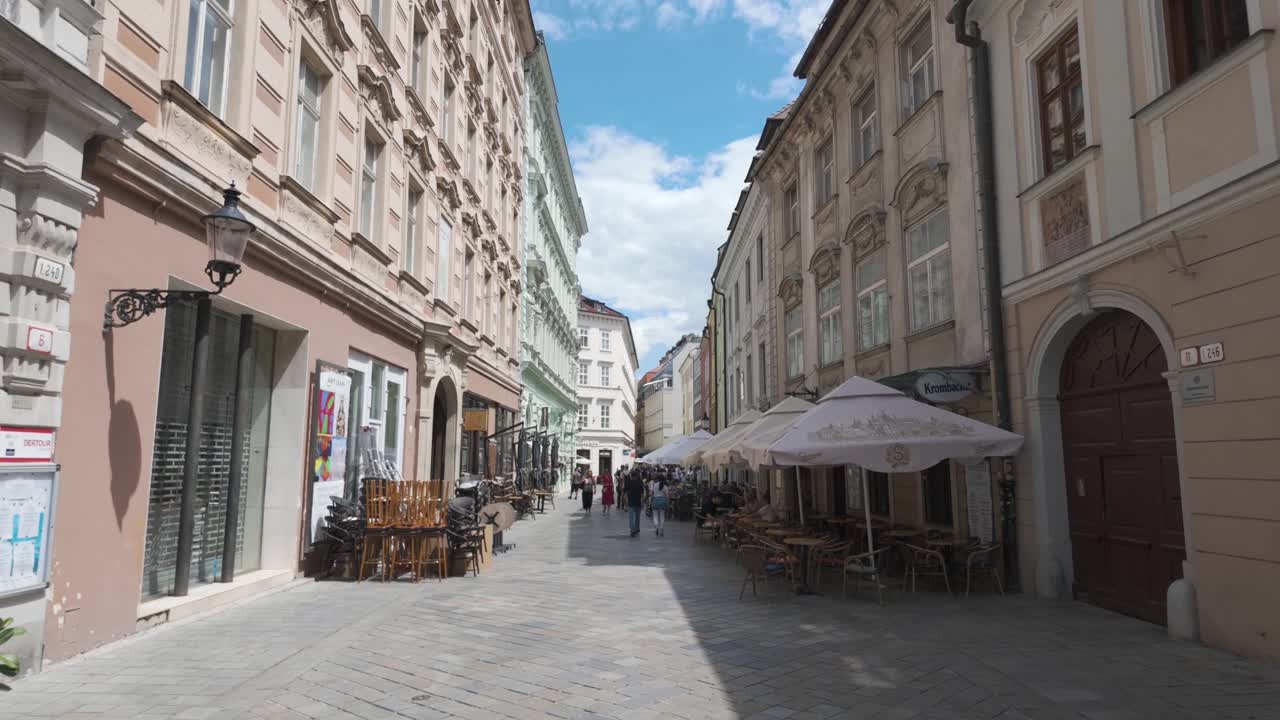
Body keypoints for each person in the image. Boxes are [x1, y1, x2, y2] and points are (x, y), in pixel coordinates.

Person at [624, 469, 646, 537]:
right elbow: (643, 493)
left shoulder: (629, 482)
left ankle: (632, 529)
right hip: (638, 501)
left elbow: (625, 493)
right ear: (637, 476)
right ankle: (637, 528)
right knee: (637, 517)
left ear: (631, 475)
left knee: (631, 517)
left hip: (631, 501)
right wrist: (642, 501)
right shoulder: (640, 482)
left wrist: (625, 502)